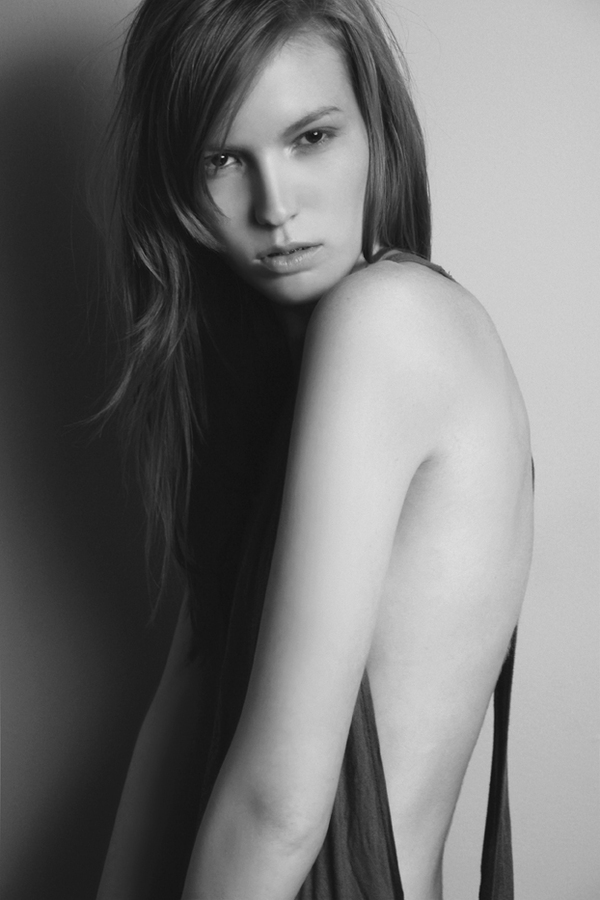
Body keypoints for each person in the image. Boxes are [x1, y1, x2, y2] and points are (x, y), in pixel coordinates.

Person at [95, 1, 533, 898]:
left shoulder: (387, 321)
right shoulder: (271, 378)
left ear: (376, 130)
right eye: (222, 160)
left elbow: (280, 809)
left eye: (311, 138)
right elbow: (188, 688)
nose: (276, 207)